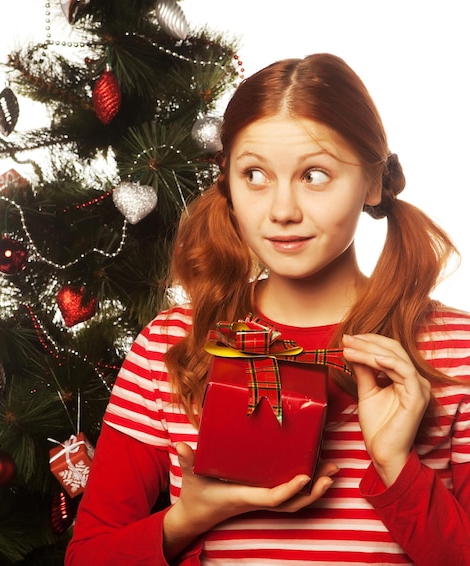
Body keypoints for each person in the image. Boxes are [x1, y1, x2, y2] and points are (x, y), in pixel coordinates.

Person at [65, 53, 470, 565]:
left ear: (371, 182)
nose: (282, 211)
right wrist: (191, 518)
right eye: (254, 174)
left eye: (315, 175)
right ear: (228, 186)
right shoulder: (171, 346)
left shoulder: (453, 352)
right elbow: (88, 557)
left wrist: (397, 467)